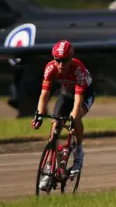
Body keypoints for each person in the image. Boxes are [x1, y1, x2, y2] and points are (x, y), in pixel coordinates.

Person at [32, 40, 96, 191]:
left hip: (84, 94)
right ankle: (49, 169)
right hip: (67, 92)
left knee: (76, 118)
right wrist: (39, 114)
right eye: (57, 60)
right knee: (55, 126)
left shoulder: (78, 69)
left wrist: (73, 118)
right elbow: (44, 95)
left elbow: (78, 101)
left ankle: (79, 150)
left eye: (64, 61)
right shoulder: (50, 68)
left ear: (71, 58)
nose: (60, 64)